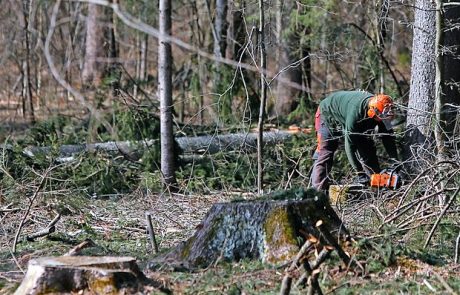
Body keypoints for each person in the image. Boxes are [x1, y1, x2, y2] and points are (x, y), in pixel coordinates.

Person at [311, 90, 398, 191]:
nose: (383, 120)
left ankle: (376, 190)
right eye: (381, 118)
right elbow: (349, 146)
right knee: (325, 153)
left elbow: (388, 137)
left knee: (368, 150)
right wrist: (359, 173)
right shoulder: (355, 115)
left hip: (349, 117)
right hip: (326, 114)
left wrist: (395, 161)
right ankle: (317, 193)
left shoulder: (382, 110)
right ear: (373, 111)